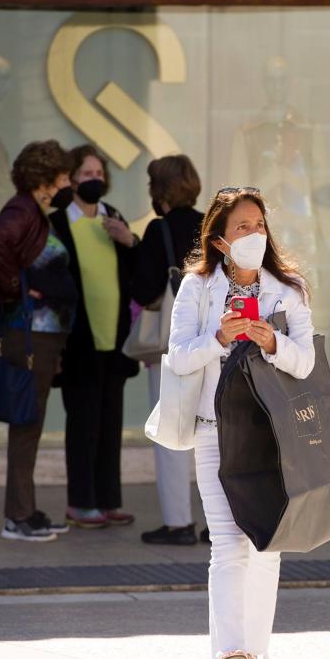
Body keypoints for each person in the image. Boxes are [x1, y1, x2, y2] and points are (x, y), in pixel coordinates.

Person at [167, 187, 315, 659]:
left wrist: (273, 341)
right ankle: (229, 652)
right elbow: (178, 358)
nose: (254, 235)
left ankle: (254, 651)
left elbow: (307, 364)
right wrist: (220, 338)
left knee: (267, 543)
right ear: (222, 241)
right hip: (215, 432)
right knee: (229, 543)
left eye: (259, 225)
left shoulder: (288, 289)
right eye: (242, 228)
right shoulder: (197, 287)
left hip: (271, 435)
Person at [0, 140, 78, 542]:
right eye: (64, 175)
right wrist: (12, 288)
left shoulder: (37, 213)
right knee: (26, 422)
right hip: (30, 332)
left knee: (32, 422)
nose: (68, 182)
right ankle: (17, 517)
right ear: (47, 177)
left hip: (43, 333)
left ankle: (25, 510)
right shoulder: (22, 209)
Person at [50, 144, 140, 529]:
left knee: (109, 424)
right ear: (70, 180)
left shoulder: (113, 217)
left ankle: (108, 500)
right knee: (82, 423)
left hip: (114, 341)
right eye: (87, 174)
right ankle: (80, 502)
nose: (94, 180)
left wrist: (129, 241)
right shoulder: (57, 222)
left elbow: (138, 271)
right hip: (79, 342)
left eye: (99, 174)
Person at [132, 155, 205, 546]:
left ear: (158, 190)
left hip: (172, 347)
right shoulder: (213, 226)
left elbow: (143, 290)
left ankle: (178, 523)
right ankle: (222, 524)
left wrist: (133, 250)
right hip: (215, 344)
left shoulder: (158, 231)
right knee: (216, 438)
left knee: (172, 435)